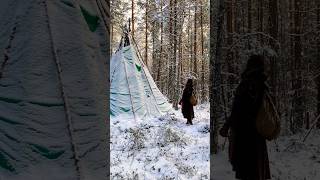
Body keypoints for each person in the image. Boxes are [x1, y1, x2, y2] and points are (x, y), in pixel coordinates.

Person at [219, 55, 271, 180]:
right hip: (257, 135)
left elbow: (238, 110)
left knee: (247, 171)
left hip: (244, 135)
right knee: (256, 170)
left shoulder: (247, 84)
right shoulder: (263, 85)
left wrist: (227, 125)